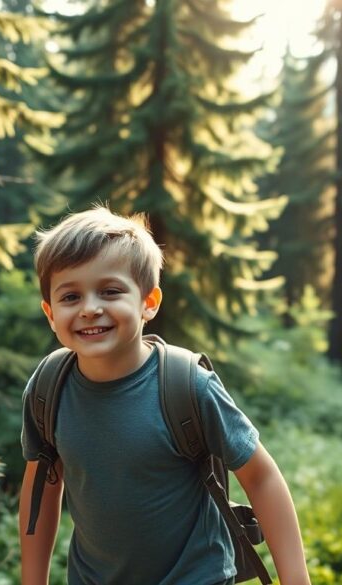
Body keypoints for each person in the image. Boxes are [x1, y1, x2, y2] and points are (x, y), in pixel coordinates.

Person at [19, 206, 311, 585]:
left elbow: (261, 477)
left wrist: (296, 579)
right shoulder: (49, 388)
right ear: (50, 313)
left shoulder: (188, 386)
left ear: (149, 302)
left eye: (110, 291)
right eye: (71, 296)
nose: (90, 309)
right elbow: (42, 488)